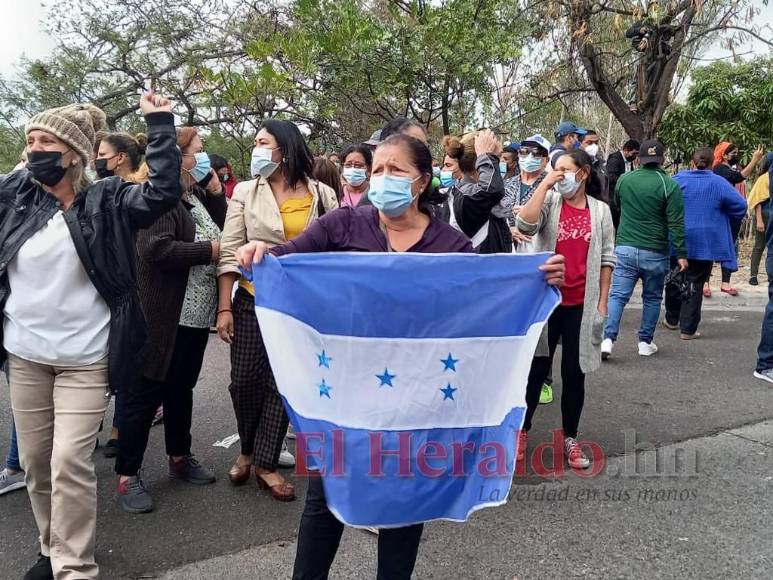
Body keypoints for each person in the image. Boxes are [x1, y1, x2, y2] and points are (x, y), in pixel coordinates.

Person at [234, 132, 566, 580]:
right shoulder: (342, 226)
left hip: (415, 402)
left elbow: (477, 305)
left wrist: (535, 278)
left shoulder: (450, 246)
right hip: (347, 399)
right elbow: (286, 265)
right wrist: (261, 253)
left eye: (395, 170)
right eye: (376, 170)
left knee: (405, 506)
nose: (381, 178)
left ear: (422, 180)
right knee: (324, 498)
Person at [1, 92, 180, 580]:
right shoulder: (18, 197)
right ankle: (49, 546)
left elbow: (162, 193)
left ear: (73, 153)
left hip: (85, 358)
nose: (33, 149)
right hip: (26, 355)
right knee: (36, 465)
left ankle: (75, 566)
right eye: (29, 140)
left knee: (68, 462)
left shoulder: (108, 198)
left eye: (45, 141)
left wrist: (160, 124)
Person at [216, 120, 339, 501]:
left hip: (301, 307)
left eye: (262, 142)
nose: (256, 147)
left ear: (284, 148)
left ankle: (266, 463)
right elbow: (229, 249)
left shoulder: (322, 193)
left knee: (283, 382)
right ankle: (247, 450)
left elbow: (335, 247)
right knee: (245, 381)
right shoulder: (246, 193)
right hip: (253, 300)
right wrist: (225, 307)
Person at [114, 126, 226, 514]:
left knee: (181, 389)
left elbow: (223, 226)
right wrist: (210, 250)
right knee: (144, 397)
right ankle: (128, 476)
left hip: (192, 317)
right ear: (177, 159)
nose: (203, 157)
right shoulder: (158, 203)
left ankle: (180, 457)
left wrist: (214, 193)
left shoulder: (190, 197)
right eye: (197, 151)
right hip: (163, 315)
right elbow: (156, 250)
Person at [516, 148, 614, 469]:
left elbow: (607, 260)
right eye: (554, 169)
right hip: (545, 302)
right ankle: (521, 431)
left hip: (580, 306)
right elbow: (525, 225)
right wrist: (544, 184)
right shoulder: (549, 200)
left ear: (583, 173)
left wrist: (601, 302)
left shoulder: (600, 211)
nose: (559, 175)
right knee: (535, 370)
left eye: (564, 170)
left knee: (574, 373)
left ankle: (570, 438)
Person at [601, 140, 687, 359]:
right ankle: (644, 342)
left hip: (626, 246)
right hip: (655, 250)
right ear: (662, 160)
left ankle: (607, 339)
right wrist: (682, 254)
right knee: (652, 297)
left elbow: (617, 205)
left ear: (638, 158)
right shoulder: (669, 185)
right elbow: (676, 223)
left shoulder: (624, 179)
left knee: (618, 296)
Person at [664, 148, 747, 339]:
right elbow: (741, 206)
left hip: (678, 238)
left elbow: (663, 202)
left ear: (692, 163)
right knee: (695, 282)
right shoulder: (719, 182)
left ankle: (671, 319)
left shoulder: (677, 179)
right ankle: (688, 329)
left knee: (675, 278)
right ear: (712, 165)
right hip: (705, 242)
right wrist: (722, 214)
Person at [705, 142, 764, 297]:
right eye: (733, 153)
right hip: (720, 214)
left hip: (728, 214)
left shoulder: (727, 168)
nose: (735, 156)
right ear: (724, 154)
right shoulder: (719, 169)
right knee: (713, 248)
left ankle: (725, 283)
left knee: (728, 247)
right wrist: (754, 160)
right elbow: (738, 177)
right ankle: (706, 283)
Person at [440, 130, 510, 253]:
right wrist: (485, 156)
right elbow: (491, 190)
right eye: (497, 158)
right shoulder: (466, 195)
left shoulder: (472, 192)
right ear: (479, 163)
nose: (501, 163)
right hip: (476, 270)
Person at [748, 154, 773, 285]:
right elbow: (757, 200)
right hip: (764, 215)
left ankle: (770, 275)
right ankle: (753, 275)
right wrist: (759, 220)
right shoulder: (764, 178)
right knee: (759, 246)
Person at [606, 139, 640, 228]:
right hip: (613, 199)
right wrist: (627, 183)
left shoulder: (629, 161)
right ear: (626, 150)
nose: (635, 156)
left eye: (637, 154)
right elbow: (611, 178)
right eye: (634, 153)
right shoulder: (615, 159)